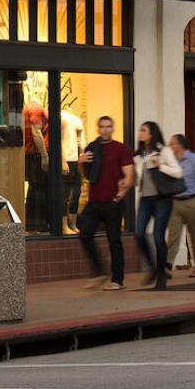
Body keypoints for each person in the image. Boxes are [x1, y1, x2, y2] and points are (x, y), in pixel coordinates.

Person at [76, 115, 134, 290]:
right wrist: (80, 163)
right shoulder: (92, 148)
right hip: (94, 201)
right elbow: (86, 176)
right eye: (102, 126)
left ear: (112, 128)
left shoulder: (121, 149)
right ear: (98, 129)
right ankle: (100, 273)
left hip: (113, 201)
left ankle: (117, 280)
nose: (105, 129)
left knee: (114, 240)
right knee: (84, 233)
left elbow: (129, 175)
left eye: (108, 126)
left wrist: (119, 196)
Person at [132, 121, 182, 290]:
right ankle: (154, 268)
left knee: (158, 236)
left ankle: (161, 275)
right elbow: (137, 177)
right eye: (140, 130)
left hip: (162, 199)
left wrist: (161, 165)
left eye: (144, 130)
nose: (140, 133)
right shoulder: (139, 154)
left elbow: (178, 172)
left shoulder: (164, 150)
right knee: (139, 233)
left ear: (152, 133)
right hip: (145, 199)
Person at [165, 131, 195, 279]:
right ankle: (167, 265)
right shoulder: (171, 161)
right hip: (175, 202)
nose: (170, 146)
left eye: (172, 143)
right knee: (173, 234)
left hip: (192, 200)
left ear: (180, 145)